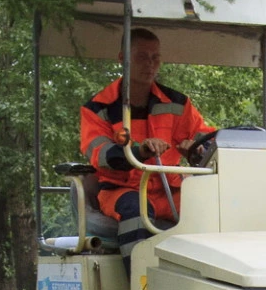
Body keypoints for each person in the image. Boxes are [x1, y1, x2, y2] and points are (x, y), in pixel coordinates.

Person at [80, 28, 213, 260]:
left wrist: (197, 149)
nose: (150, 64)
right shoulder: (98, 108)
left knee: (210, 208)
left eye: (156, 58)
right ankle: (141, 287)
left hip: (169, 189)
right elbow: (101, 154)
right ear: (123, 58)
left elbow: (207, 138)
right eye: (142, 57)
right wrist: (139, 151)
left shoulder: (177, 103)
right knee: (137, 211)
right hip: (122, 190)